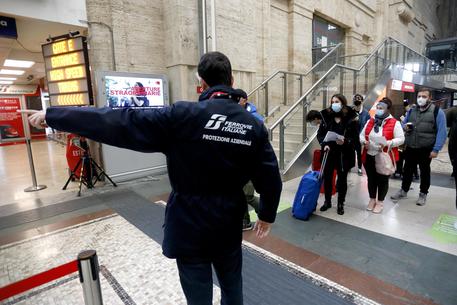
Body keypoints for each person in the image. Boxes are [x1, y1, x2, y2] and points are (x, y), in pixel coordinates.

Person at [27, 52, 282, 305]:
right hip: (227, 224)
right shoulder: (252, 126)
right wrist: (267, 215)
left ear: (201, 83)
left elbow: (120, 121)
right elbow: (270, 176)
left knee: (198, 297)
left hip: (188, 225)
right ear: (232, 81)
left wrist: (55, 116)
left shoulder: (182, 117)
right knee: (232, 289)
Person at [391, 88, 447, 206]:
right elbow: (403, 124)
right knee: (407, 170)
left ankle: (423, 193)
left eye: (424, 96)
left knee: (424, 171)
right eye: (419, 96)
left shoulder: (437, 111)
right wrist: (405, 127)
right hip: (411, 145)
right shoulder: (412, 110)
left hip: (426, 148)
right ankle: (403, 190)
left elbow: (442, 132)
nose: (421, 98)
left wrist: (436, 149)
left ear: (430, 98)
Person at [360, 98, 404, 213]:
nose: (378, 110)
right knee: (371, 179)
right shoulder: (371, 121)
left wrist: (388, 143)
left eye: (381, 108)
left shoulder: (395, 122)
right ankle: (372, 199)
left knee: (383, 180)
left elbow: (401, 139)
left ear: (387, 109)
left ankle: (380, 202)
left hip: (384, 156)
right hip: (369, 154)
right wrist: (364, 142)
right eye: (377, 108)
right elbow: (362, 135)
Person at [317, 93, 358, 215]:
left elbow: (355, 137)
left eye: (337, 101)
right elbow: (320, 134)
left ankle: (341, 203)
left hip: (344, 154)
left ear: (343, 103)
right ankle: (327, 201)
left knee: (342, 180)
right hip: (329, 152)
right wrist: (324, 144)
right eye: (332, 102)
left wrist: (345, 141)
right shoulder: (326, 117)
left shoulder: (351, 118)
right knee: (328, 178)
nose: (334, 104)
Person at [233, 89, 262, 231]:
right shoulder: (235, 115)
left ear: (244, 100)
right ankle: (245, 222)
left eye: (237, 100)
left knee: (247, 196)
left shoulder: (255, 117)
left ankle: (263, 211)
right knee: (240, 195)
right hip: (237, 163)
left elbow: (261, 140)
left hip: (250, 162)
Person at [352, 94, 371, 176]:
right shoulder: (350, 111)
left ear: (362, 101)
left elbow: (368, 125)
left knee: (359, 154)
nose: (357, 100)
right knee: (350, 153)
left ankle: (359, 168)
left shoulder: (366, 113)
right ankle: (350, 166)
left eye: (359, 99)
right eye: (355, 98)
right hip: (350, 137)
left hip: (359, 138)